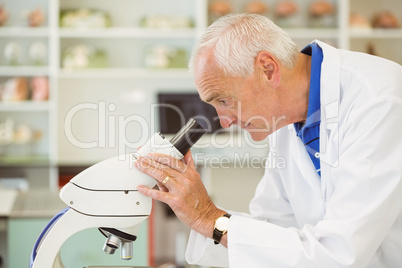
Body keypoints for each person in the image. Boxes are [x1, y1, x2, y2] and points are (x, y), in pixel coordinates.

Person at [135, 13, 402, 267]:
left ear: (267, 69)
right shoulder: (285, 118)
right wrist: (190, 208)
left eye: (225, 100)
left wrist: (207, 216)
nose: (224, 121)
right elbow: (275, 232)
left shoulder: (378, 100)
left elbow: (339, 254)